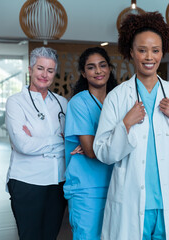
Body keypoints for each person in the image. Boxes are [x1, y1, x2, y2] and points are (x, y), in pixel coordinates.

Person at [93, 12, 169, 240]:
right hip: (130, 199)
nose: (149, 57)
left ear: (163, 52)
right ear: (131, 52)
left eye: (155, 50)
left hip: (166, 201)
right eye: (142, 50)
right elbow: (103, 153)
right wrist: (126, 124)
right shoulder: (117, 97)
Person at [5, 47, 67, 240]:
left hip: (57, 182)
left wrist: (37, 141)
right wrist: (59, 140)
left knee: (50, 236)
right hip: (27, 182)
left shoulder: (62, 103)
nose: (44, 74)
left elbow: (71, 141)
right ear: (30, 69)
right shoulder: (15, 102)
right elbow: (23, 145)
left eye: (50, 70)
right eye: (40, 68)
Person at [63, 47, 117, 239]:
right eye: (91, 67)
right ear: (84, 73)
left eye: (102, 65)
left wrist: (97, 142)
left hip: (115, 184)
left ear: (109, 69)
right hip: (86, 189)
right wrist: (94, 145)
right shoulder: (79, 103)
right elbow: (92, 151)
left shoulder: (116, 100)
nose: (98, 71)